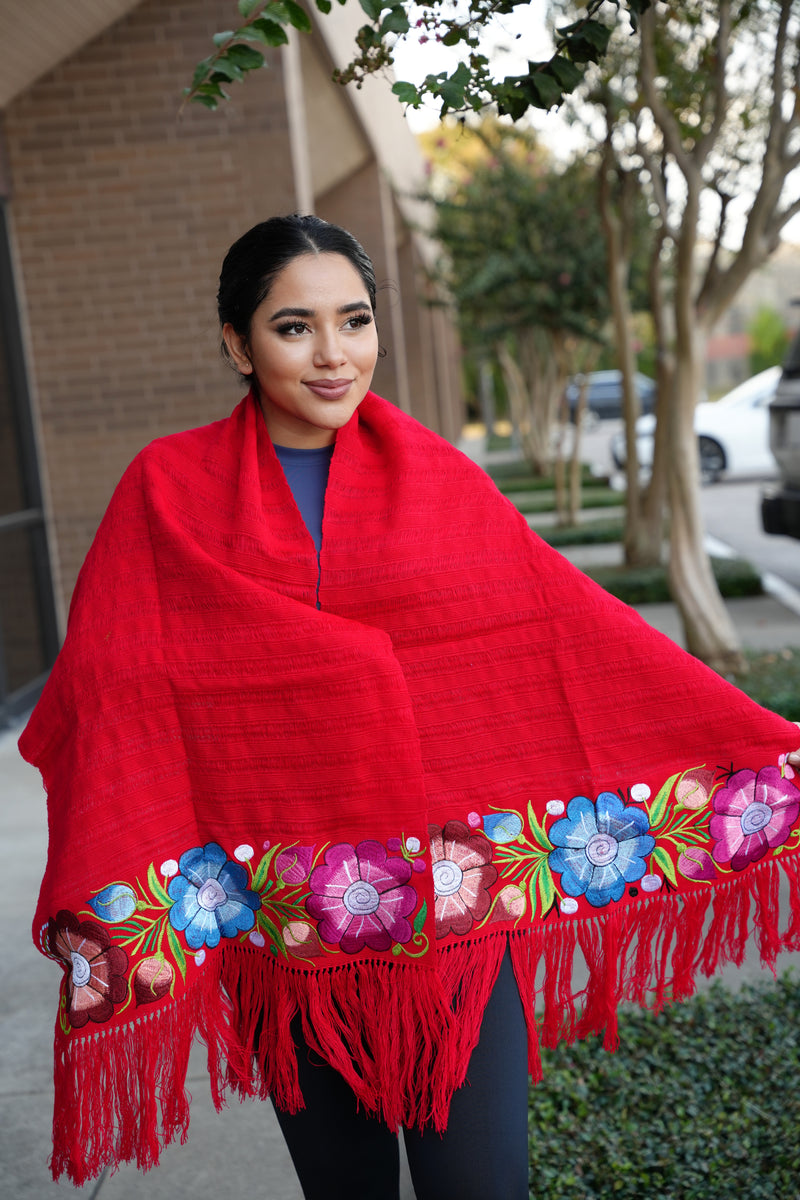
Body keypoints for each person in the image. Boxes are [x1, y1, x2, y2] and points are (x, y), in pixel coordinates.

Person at [20, 215, 800, 1199]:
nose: (333, 353)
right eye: (294, 327)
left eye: (354, 320)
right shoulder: (165, 492)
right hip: (285, 924)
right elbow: (114, 678)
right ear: (237, 345)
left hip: (452, 923)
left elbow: (562, 632)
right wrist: (290, 682)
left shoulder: (440, 480)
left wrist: (764, 747)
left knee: (482, 1185)